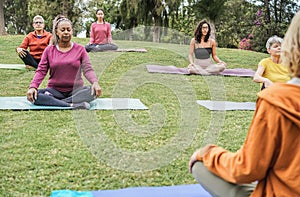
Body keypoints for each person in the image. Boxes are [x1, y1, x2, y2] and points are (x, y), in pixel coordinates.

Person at [189, 10, 300, 197]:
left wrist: (207, 153)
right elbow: (257, 75)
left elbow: (246, 169)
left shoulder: (277, 101)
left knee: (200, 165)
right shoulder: (266, 64)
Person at [26, 15, 102, 109]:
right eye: (63, 30)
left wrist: (95, 82)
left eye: (68, 30)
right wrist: (33, 87)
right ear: (57, 32)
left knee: (92, 91)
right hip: (54, 91)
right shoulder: (49, 50)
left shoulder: (80, 49)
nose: (66, 32)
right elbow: (41, 71)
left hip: (76, 91)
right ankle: (71, 105)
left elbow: (88, 69)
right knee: (36, 95)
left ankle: (58, 103)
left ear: (72, 31)